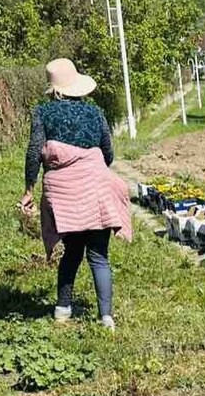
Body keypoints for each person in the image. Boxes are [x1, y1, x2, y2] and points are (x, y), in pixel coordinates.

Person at [21, 58, 131, 330]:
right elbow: (109, 153)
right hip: (96, 188)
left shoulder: (43, 113)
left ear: (54, 88)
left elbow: (35, 152)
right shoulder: (95, 113)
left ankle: (62, 310)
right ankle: (106, 317)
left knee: (72, 252)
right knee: (99, 255)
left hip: (64, 195)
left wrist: (28, 189)